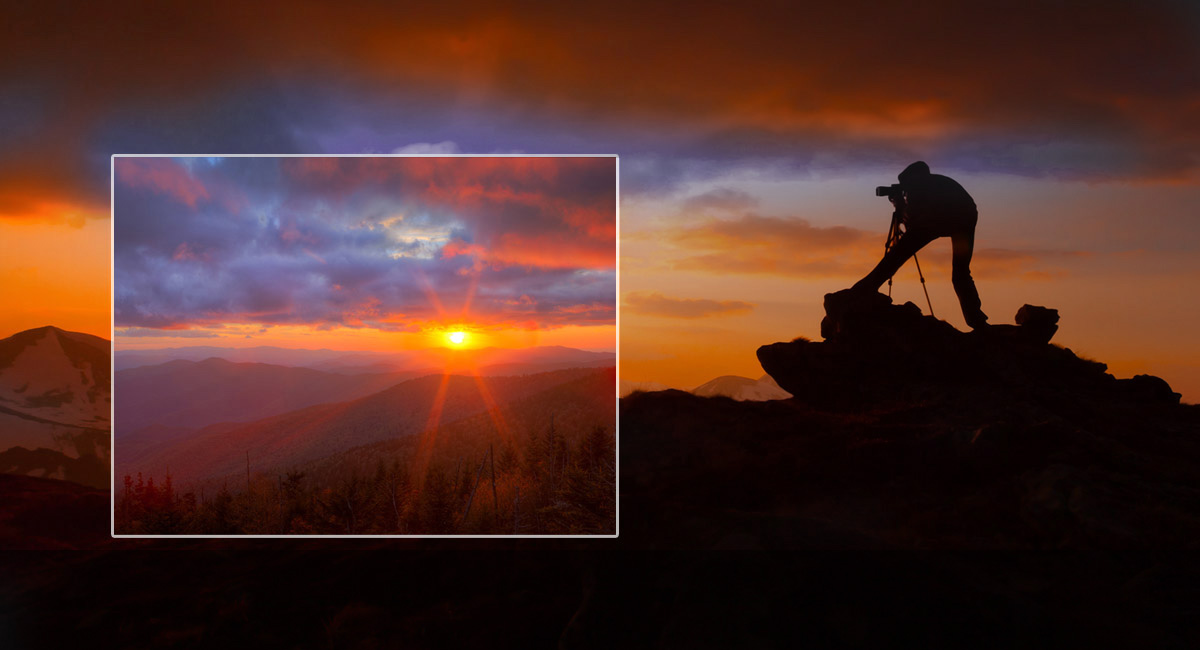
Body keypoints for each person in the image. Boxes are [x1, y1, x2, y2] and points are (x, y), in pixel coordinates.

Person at [852, 161, 989, 329]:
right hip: (965, 220)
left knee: (897, 255)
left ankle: (863, 289)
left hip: (940, 220)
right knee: (961, 272)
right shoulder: (940, 181)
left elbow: (913, 224)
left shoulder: (917, 187)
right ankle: (977, 321)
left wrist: (900, 206)